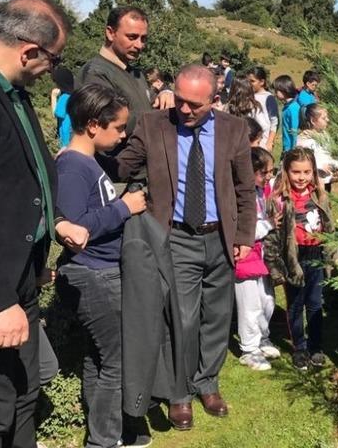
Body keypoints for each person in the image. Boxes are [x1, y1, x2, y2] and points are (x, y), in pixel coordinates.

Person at [0, 0, 89, 448]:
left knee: (25, 396)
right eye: (53, 58)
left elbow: (24, 175)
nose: (53, 69)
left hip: (19, 282)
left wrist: (56, 222)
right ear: (29, 50)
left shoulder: (9, 91)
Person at [97, 64, 256, 431]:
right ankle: (180, 392)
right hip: (177, 237)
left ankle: (208, 382)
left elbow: (245, 189)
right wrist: (84, 149)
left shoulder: (233, 129)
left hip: (221, 238)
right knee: (182, 318)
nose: (184, 110)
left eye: (194, 105)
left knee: (217, 317)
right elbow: (122, 167)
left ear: (215, 100)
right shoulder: (155, 124)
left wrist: (244, 237)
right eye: (180, 100)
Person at [54, 84, 148, 448]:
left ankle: (103, 430)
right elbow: (75, 228)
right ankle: (104, 441)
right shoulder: (74, 168)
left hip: (101, 272)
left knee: (100, 356)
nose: (123, 135)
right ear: (94, 125)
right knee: (116, 361)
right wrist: (125, 208)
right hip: (93, 275)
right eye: (119, 127)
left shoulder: (89, 162)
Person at [264, 147, 335, 371]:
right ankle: (300, 347)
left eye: (306, 172)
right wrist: (276, 266)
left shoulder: (320, 195)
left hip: (316, 255)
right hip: (294, 258)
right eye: (296, 172)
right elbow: (273, 236)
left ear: (313, 172)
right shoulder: (279, 200)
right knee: (295, 305)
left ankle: (316, 346)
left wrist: (331, 255)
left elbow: (329, 226)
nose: (302, 177)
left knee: (315, 303)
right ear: (286, 172)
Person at [80, 6, 174, 153]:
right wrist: (154, 116)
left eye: (143, 38)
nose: (139, 45)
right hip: (115, 169)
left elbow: (150, 100)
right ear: (110, 33)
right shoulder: (96, 73)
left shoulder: (135, 73)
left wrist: (166, 92)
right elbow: (107, 122)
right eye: (132, 37)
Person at [234, 147, 280, 372]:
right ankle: (248, 349)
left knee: (267, 300)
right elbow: (243, 231)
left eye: (271, 172)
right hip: (244, 259)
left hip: (260, 256)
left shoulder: (261, 192)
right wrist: (269, 225)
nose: (269, 177)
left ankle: (262, 337)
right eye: (265, 173)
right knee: (249, 305)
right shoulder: (239, 196)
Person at [296, 103, 338, 188]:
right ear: (313, 121)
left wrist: (337, 165)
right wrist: (320, 166)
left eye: (327, 117)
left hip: (326, 182)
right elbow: (302, 162)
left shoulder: (324, 136)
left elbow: (329, 156)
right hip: (311, 184)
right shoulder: (304, 140)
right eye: (323, 118)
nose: (328, 120)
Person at [227, 74, 273, 151]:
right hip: (251, 146)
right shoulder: (254, 107)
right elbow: (264, 126)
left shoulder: (228, 107)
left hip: (233, 146)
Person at [247, 66, 279, 151]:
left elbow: (274, 122)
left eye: (252, 81)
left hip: (263, 141)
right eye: (248, 81)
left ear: (262, 82)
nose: (249, 84)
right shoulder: (249, 96)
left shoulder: (268, 98)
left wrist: (269, 142)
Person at [273, 74, 300, 152]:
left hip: (291, 149)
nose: (275, 93)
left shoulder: (293, 108)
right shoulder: (288, 106)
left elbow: (294, 131)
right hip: (287, 147)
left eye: (276, 91)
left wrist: (294, 150)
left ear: (284, 90)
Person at [51, 65, 75, 147]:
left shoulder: (64, 97)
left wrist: (53, 97)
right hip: (73, 137)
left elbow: (56, 114)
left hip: (65, 140)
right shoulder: (74, 96)